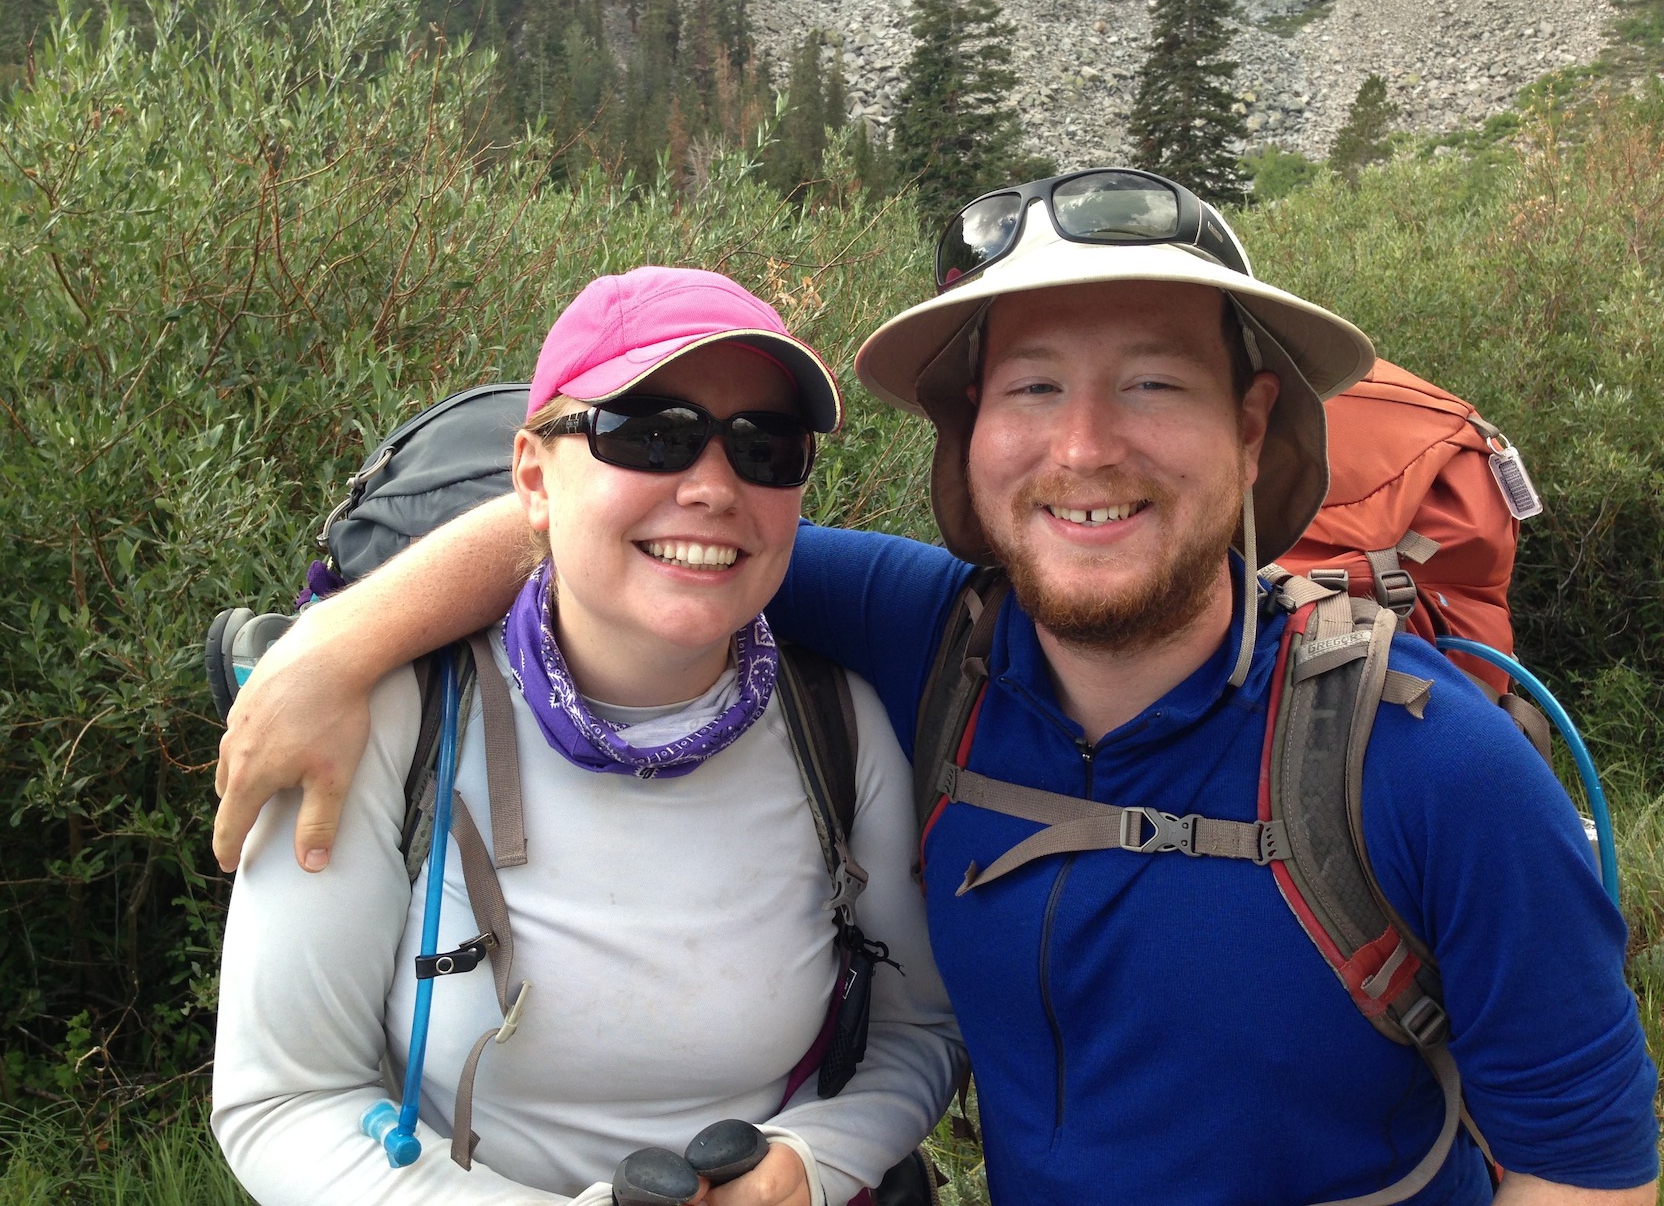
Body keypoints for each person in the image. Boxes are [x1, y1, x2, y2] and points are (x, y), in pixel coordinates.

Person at [212, 172, 1660, 1203]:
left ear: (1254, 421)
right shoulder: (930, 637)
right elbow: (628, 535)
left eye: (1153, 382)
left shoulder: (1435, 767)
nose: (1083, 448)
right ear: (967, 440)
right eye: (1029, 389)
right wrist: (338, 646)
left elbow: (1590, 1174)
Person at [211, 267, 962, 1206]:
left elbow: (916, 1035)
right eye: (651, 435)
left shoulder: (840, 729)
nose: (714, 487)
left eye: (766, 447)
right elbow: (282, 1100)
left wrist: (802, 1172)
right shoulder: (382, 722)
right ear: (533, 475)